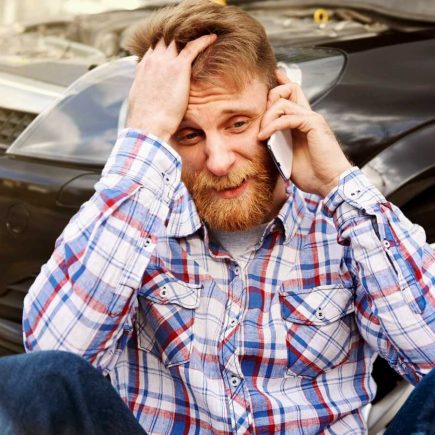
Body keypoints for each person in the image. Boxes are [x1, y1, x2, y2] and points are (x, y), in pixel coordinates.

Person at [2, 0, 434, 433]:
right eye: (189, 134)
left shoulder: (342, 222)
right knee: (32, 381)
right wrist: (145, 135)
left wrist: (341, 181)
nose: (220, 160)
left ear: (279, 104)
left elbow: (429, 356)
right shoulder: (135, 221)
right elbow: (53, 365)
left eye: (238, 123)